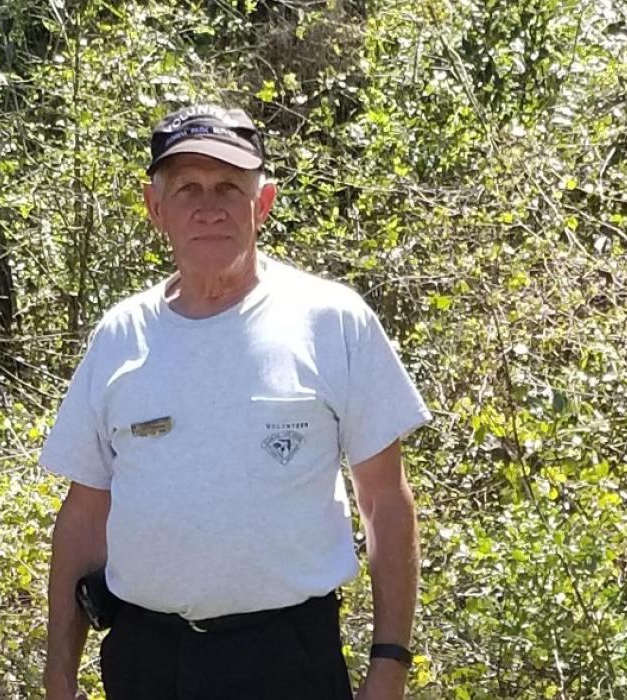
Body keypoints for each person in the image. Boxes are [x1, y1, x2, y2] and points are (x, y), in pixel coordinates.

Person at [40, 104, 432, 700]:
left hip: (286, 658)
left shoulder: (331, 321)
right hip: (146, 661)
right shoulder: (121, 335)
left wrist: (389, 663)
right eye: (188, 188)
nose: (209, 206)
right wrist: (59, 672)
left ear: (263, 202)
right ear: (155, 208)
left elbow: (385, 503)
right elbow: (85, 517)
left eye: (229, 186)